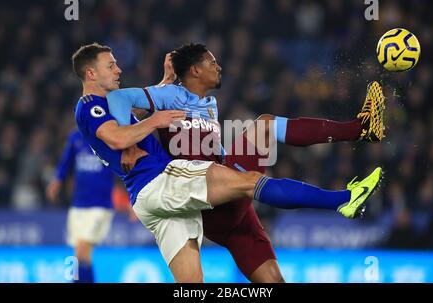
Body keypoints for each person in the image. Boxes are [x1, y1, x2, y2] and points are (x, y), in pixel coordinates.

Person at [73, 42, 382, 283]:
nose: (118, 69)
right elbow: (117, 135)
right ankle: (344, 196)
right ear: (91, 74)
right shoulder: (92, 105)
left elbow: (127, 125)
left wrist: (161, 89)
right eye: (110, 65)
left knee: (201, 283)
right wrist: (151, 121)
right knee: (258, 150)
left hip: (174, 204)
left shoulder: (174, 102)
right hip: (166, 185)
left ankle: (357, 139)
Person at [46, 129, 114, 283]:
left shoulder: (109, 135)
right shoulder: (75, 138)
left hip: (100, 205)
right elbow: (66, 163)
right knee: (82, 255)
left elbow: (122, 167)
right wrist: (56, 181)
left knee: (80, 250)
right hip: (78, 204)